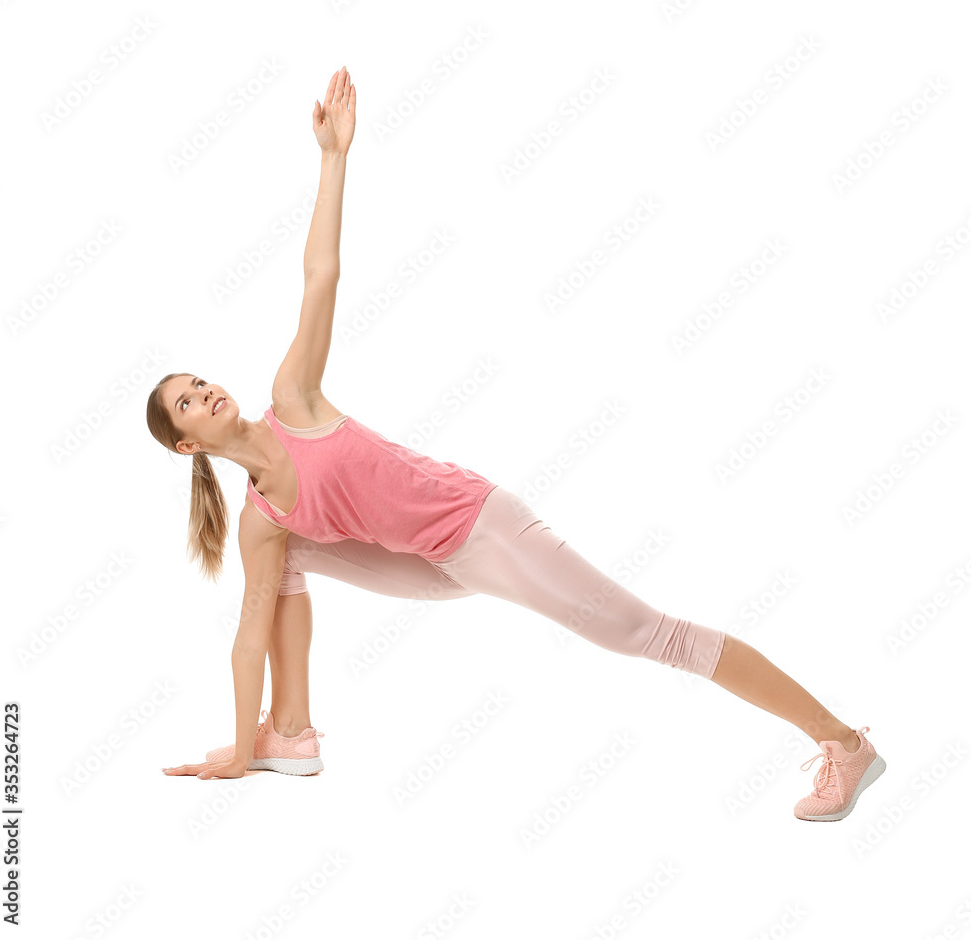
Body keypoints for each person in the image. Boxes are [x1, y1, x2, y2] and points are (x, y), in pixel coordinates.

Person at [148, 67, 885, 821]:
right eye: (187, 401)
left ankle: (841, 742)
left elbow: (320, 275)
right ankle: (289, 735)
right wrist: (240, 750)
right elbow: (249, 633)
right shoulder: (259, 518)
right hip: (429, 561)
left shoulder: (291, 400)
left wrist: (333, 158)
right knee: (285, 551)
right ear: (187, 446)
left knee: (647, 634)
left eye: (199, 381)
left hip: (481, 526)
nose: (205, 391)